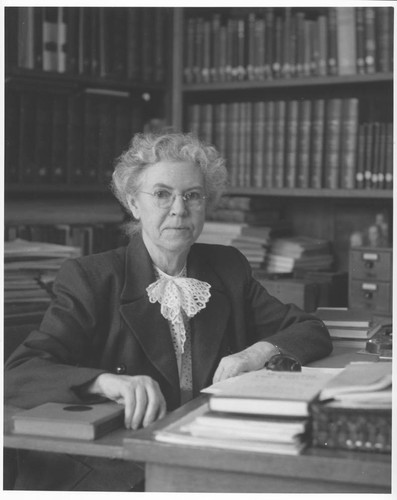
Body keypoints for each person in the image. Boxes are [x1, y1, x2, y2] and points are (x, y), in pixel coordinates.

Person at [5, 132, 333, 490]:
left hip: (205, 455)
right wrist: (105, 382)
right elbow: (20, 374)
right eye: (162, 194)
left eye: (192, 196)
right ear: (133, 203)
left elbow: (310, 329)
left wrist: (255, 354)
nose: (179, 209)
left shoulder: (227, 267)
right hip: (114, 466)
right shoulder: (92, 278)